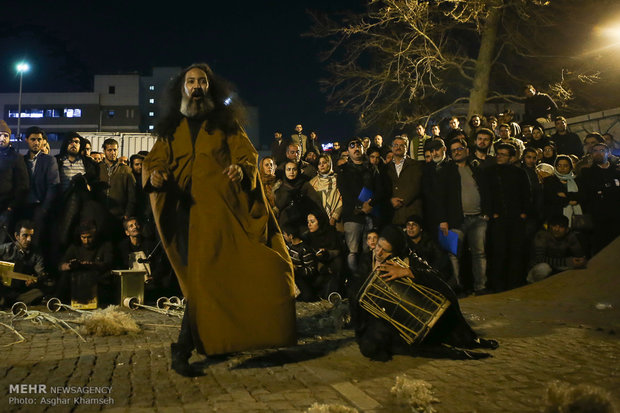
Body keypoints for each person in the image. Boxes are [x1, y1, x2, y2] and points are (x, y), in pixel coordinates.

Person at [142, 63, 296, 376]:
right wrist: (155, 175)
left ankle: (187, 347)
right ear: (182, 89)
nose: (196, 87)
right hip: (186, 217)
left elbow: (246, 156)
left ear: (210, 87)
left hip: (221, 217)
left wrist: (241, 170)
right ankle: (185, 347)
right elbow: (154, 161)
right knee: (199, 282)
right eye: (191, 82)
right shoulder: (172, 128)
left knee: (241, 274)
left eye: (201, 81)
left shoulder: (226, 125)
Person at [348, 225, 498, 361]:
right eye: (378, 246)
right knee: (370, 347)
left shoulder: (407, 257)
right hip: (380, 317)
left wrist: (407, 271)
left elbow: (437, 277)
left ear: (395, 250)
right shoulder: (367, 260)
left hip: (411, 315)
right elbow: (355, 292)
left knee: (443, 323)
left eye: (385, 250)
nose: (379, 252)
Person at [20, 127, 60, 250]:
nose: (36, 142)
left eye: (39, 139)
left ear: (43, 141)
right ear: (26, 140)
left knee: (36, 239)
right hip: (23, 206)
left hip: (40, 206)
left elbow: (53, 186)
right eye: (33, 139)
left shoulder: (49, 160)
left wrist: (44, 209)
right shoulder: (21, 160)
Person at [527, 215, 586, 284]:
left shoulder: (570, 236)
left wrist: (580, 260)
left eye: (561, 227)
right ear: (549, 226)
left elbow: (580, 255)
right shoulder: (542, 235)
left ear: (567, 229)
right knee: (544, 268)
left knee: (578, 267)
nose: (556, 229)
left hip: (557, 267)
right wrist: (567, 262)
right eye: (554, 226)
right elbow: (540, 259)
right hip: (536, 269)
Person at [0, 220, 47, 306]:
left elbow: (40, 274)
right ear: (16, 236)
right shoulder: (5, 249)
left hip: (20, 291)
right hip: (3, 289)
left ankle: (10, 302)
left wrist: (34, 281)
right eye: (25, 236)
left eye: (31, 236)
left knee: (39, 292)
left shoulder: (36, 253)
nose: (29, 239)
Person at [0, 120, 29, 244]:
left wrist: (11, 206)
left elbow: (23, 185)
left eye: (6, 135)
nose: (2, 138)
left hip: (6, 208)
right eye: (0, 134)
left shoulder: (16, 158)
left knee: (3, 243)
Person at [304, 212, 344, 300]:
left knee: (338, 263)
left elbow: (337, 251)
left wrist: (327, 253)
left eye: (312, 221)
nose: (309, 224)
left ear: (320, 222)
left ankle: (332, 296)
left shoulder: (330, 233)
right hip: (318, 267)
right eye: (308, 222)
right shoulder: (308, 237)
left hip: (332, 264)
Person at [387, 136, 424, 226]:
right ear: (392, 148)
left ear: (406, 148)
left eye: (402, 145)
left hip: (411, 213)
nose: (398, 147)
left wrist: (402, 201)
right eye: (396, 145)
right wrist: (390, 200)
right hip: (393, 215)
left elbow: (417, 185)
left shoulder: (416, 165)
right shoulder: (386, 168)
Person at [309, 154, 342, 227]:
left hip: (336, 221)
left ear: (330, 163)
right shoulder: (313, 183)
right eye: (319, 163)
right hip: (319, 221)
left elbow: (341, 199)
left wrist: (334, 216)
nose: (322, 165)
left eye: (324, 162)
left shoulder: (338, 179)